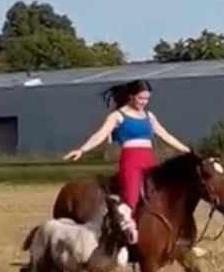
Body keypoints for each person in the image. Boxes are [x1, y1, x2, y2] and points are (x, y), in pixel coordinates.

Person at [63, 79, 205, 256]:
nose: (144, 102)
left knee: (163, 197)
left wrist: (188, 151)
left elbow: (166, 136)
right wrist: (82, 149)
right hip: (131, 162)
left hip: (149, 160)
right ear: (131, 97)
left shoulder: (149, 116)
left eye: (147, 99)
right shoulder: (118, 116)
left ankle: (179, 239)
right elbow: (100, 135)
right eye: (141, 98)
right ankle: (125, 239)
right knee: (131, 199)